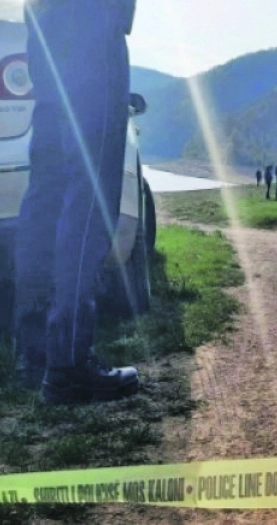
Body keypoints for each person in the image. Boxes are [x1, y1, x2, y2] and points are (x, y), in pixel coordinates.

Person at [15, 0, 140, 403]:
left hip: (44, 20)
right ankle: (68, 363)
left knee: (48, 193)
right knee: (91, 189)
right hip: (90, 18)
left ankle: (36, 354)